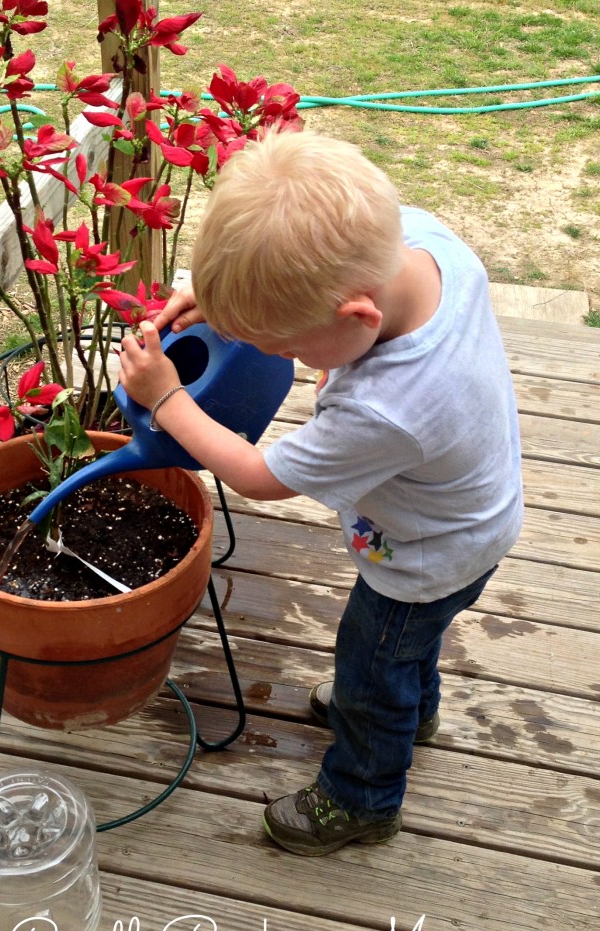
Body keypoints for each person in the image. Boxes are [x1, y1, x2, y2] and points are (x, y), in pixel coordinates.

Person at [117, 129, 524, 856]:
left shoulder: (385, 406)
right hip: (475, 513)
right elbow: (310, 289)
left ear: (358, 317)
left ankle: (363, 797)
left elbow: (257, 477)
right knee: (403, 655)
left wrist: (169, 400)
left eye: (287, 347)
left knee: (371, 665)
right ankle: (413, 709)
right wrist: (216, 298)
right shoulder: (427, 244)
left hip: (427, 558)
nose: (285, 359)